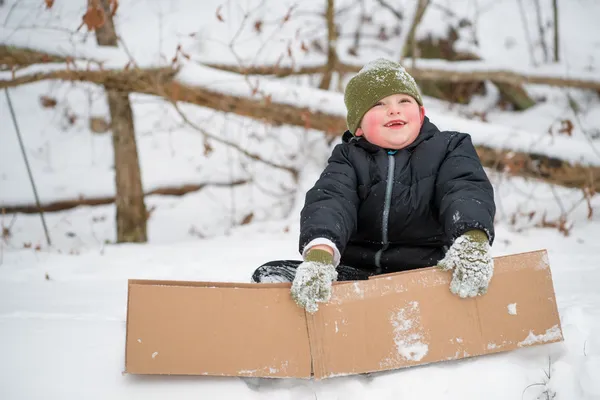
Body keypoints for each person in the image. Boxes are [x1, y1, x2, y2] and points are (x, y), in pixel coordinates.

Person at [251, 58, 496, 313]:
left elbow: (465, 189)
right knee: (270, 273)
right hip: (360, 275)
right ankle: (317, 308)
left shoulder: (449, 148)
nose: (394, 110)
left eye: (404, 101)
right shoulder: (348, 158)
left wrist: (472, 239)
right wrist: (320, 258)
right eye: (379, 104)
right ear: (358, 126)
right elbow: (331, 200)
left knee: (463, 278)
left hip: (430, 272)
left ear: (421, 114)